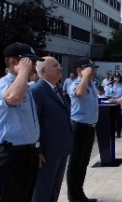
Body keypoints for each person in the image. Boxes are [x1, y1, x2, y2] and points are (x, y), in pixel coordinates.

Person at [0, 42, 43, 201]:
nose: (33, 65)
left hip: (28, 153)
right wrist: (23, 72)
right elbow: (12, 98)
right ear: (13, 62)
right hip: (11, 155)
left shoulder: (24, 85)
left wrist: (36, 149)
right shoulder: (3, 85)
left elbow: (30, 124)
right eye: (29, 61)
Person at [31, 57, 73, 202]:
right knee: (42, 190)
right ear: (44, 71)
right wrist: (38, 149)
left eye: (59, 65)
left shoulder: (56, 88)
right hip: (47, 151)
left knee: (54, 188)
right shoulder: (37, 91)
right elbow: (33, 122)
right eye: (56, 66)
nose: (60, 68)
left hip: (60, 148)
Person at [66, 58, 99, 202]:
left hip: (89, 128)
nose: (93, 71)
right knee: (75, 163)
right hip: (78, 127)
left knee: (83, 163)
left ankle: (80, 194)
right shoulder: (76, 83)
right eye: (90, 69)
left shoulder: (91, 84)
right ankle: (74, 197)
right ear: (80, 69)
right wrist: (84, 76)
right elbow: (79, 93)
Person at [105, 72, 122, 138]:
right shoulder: (109, 85)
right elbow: (107, 95)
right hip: (111, 104)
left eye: (118, 77)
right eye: (115, 77)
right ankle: (112, 133)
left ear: (120, 78)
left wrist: (119, 100)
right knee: (111, 119)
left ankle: (119, 133)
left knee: (119, 120)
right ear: (113, 78)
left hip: (119, 103)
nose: (116, 78)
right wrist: (110, 99)